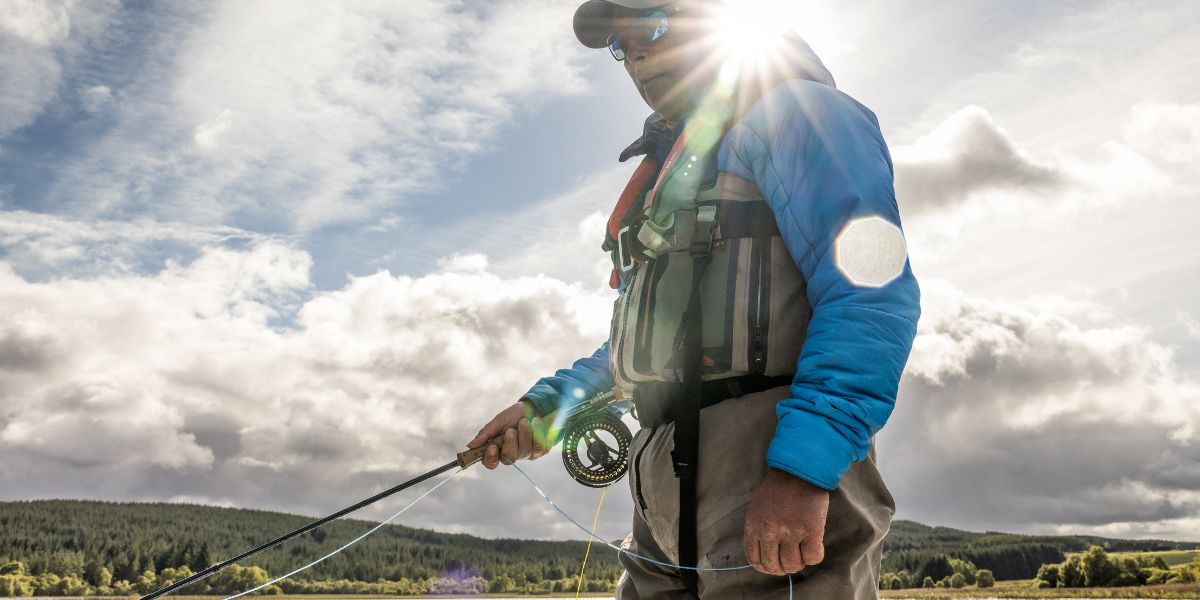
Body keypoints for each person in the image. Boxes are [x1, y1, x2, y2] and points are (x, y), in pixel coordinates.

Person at [465, 1, 920, 597]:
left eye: (651, 28)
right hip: (660, 484)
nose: (636, 56)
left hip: (767, 465)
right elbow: (653, 339)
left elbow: (871, 295)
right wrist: (547, 406)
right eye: (620, 47)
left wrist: (802, 468)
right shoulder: (675, 167)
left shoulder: (801, 115)